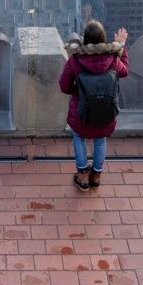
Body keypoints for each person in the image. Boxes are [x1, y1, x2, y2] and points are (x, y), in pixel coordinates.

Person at [59, 20, 129, 191]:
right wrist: (121, 47)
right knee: (100, 140)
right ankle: (96, 176)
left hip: (81, 113)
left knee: (78, 137)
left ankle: (82, 176)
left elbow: (64, 86)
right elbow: (125, 71)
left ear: (85, 40)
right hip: (105, 112)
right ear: (103, 39)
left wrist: (79, 90)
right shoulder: (112, 58)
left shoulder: (75, 60)